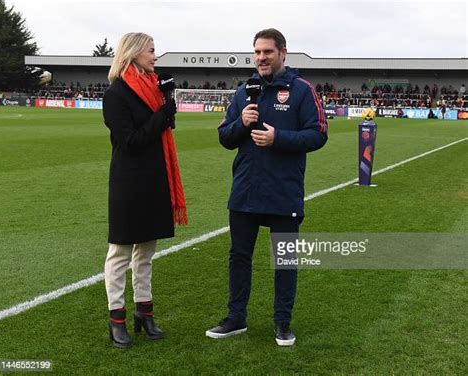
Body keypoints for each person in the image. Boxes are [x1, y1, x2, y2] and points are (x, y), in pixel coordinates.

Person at [206, 28, 328, 346]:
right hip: (245, 189)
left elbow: (318, 134)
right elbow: (224, 137)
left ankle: (282, 323)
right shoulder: (245, 91)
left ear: (283, 53)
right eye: (257, 52)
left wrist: (279, 139)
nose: (261, 58)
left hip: (283, 191)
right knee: (238, 257)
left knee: (285, 259)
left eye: (268, 52)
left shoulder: (302, 90)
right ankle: (236, 319)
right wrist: (241, 123)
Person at [102, 32, 187, 348]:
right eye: (152, 50)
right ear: (134, 52)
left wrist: (165, 110)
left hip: (155, 179)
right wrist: (163, 115)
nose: (155, 56)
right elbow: (131, 141)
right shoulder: (116, 94)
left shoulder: (155, 91)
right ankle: (116, 319)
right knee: (121, 252)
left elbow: (158, 131)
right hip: (128, 183)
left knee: (146, 252)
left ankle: (144, 314)